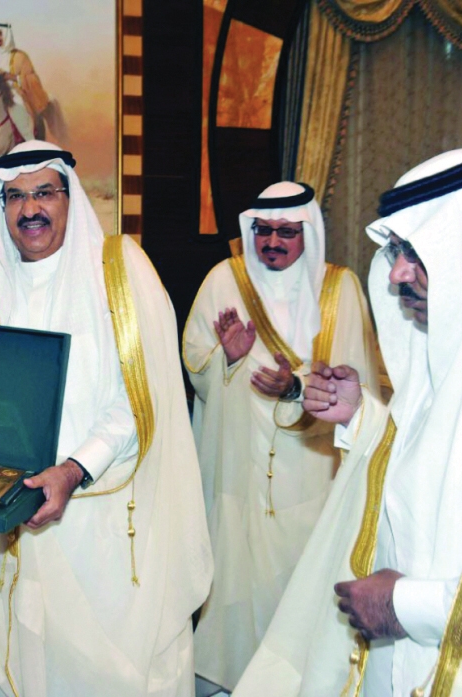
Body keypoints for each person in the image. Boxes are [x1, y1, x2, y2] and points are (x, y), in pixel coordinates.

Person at [0, 140, 213, 696]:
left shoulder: (119, 269)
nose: (30, 209)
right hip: (13, 519)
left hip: (101, 519)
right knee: (24, 661)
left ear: (70, 197)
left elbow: (142, 396)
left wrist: (73, 469)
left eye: (44, 192)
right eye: (16, 197)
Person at [234, 147, 462, 696]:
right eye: (395, 251)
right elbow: (430, 455)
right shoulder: (447, 354)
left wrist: (406, 605)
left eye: (416, 253)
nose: (396, 274)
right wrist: (363, 416)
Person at [183, 182, 380, 691]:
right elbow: (195, 365)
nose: (272, 241)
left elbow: (358, 385)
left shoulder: (339, 290)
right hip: (237, 467)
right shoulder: (224, 280)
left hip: (311, 471)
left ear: (307, 234)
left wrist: (295, 387)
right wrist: (228, 359)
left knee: (299, 580)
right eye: (263, 230)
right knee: (235, 578)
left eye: (286, 232)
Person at [0, 23, 51, 140]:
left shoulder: (20, 56)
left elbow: (32, 79)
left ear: (7, 35)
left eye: (0, 34)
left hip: (12, 94)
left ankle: (30, 142)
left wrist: (11, 77)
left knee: (18, 113)